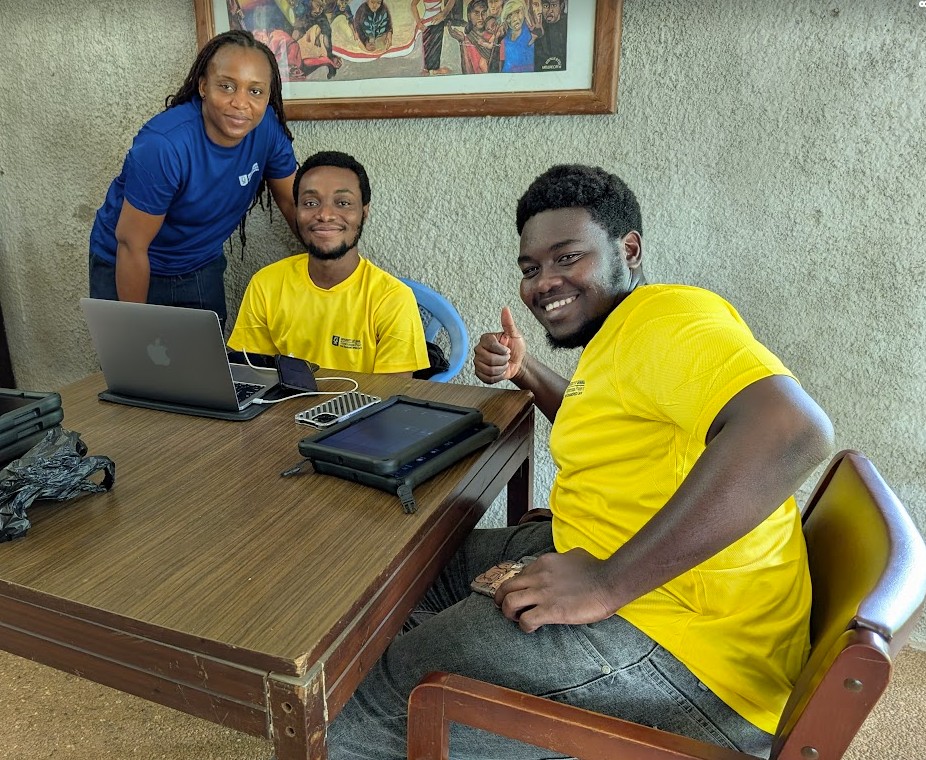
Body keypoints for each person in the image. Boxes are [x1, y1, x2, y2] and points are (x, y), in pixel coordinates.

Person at [325, 164, 835, 759]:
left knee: (357, 708)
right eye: (531, 268)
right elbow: (598, 421)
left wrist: (606, 582)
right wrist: (525, 370)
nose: (545, 283)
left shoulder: (669, 319)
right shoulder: (620, 336)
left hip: (691, 657)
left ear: (630, 250)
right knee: (410, 569)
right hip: (608, 561)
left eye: (568, 258)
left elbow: (792, 430)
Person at [88, 30, 299, 327]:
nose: (241, 103)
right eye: (227, 86)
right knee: (137, 367)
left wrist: (334, 261)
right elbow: (132, 245)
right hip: (128, 262)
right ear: (203, 86)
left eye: (255, 91)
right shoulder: (164, 146)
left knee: (204, 368)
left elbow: (293, 203)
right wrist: (138, 331)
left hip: (199, 263)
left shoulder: (267, 132)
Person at [227, 151, 429, 376]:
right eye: (310, 202)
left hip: (363, 410)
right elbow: (249, 374)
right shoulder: (266, 283)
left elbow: (392, 399)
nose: (325, 215)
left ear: (364, 213)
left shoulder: (393, 299)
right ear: (297, 211)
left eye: (343, 203)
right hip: (281, 409)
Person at [533, 0, 566, 71]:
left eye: (554, 5)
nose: (549, 11)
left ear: (561, 6)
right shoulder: (537, 27)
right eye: (546, 6)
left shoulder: (567, 24)